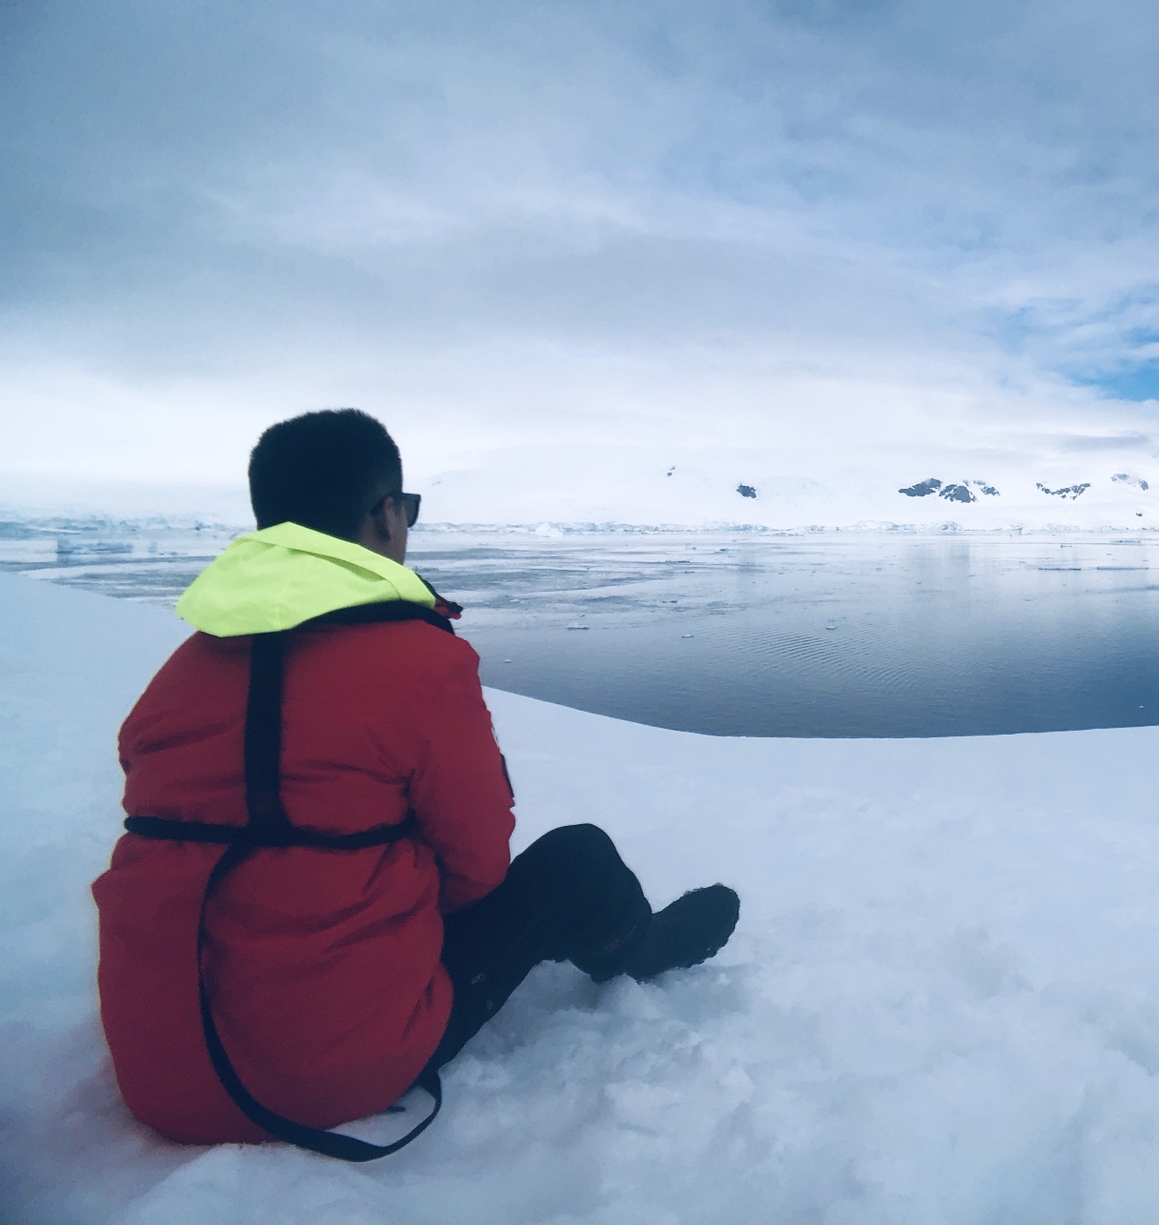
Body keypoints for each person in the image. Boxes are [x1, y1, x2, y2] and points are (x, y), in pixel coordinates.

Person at [92, 409, 738, 1154]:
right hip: (324, 1077)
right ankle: (640, 949)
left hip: (161, 1066)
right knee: (579, 859)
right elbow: (479, 867)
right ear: (386, 514)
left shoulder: (181, 673)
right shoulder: (415, 665)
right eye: (408, 510)